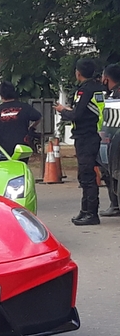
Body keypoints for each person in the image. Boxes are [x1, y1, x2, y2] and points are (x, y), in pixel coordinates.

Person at [55, 58, 106, 226]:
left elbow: (76, 115)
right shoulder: (100, 88)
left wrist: (63, 111)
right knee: (86, 174)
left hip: (86, 136)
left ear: (78, 73)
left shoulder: (84, 91)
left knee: (87, 175)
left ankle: (91, 213)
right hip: (95, 134)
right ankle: (85, 211)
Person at [0, 81, 42, 159]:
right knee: (21, 168)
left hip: (3, 149)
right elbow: (38, 117)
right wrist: (31, 128)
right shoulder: (25, 107)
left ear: (0, 95)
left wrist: (0, 136)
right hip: (22, 149)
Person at [99, 64, 120, 216]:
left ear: (106, 78)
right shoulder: (112, 94)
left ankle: (115, 204)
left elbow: (111, 124)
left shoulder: (115, 96)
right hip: (110, 141)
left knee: (111, 173)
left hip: (113, 143)